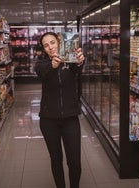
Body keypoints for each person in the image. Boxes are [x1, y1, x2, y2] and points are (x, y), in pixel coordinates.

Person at [34, 32, 85, 188]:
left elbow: (78, 71)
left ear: (59, 42)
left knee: (75, 162)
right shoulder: (41, 64)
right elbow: (43, 74)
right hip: (49, 120)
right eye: (46, 45)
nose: (50, 47)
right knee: (56, 159)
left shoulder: (70, 60)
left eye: (53, 42)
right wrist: (52, 65)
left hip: (70, 118)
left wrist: (80, 62)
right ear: (43, 49)